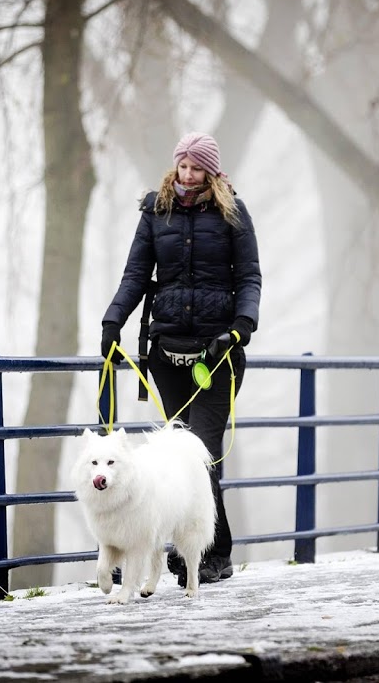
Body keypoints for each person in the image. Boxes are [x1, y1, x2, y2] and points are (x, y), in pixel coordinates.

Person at [100, 131, 261, 585]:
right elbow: (136, 274)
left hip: (218, 354)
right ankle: (204, 549)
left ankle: (210, 553)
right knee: (178, 456)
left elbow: (249, 276)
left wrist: (241, 327)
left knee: (203, 453)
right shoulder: (155, 212)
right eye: (183, 167)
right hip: (166, 355)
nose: (189, 176)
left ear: (211, 172)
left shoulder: (233, 212)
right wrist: (112, 322)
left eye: (197, 168)